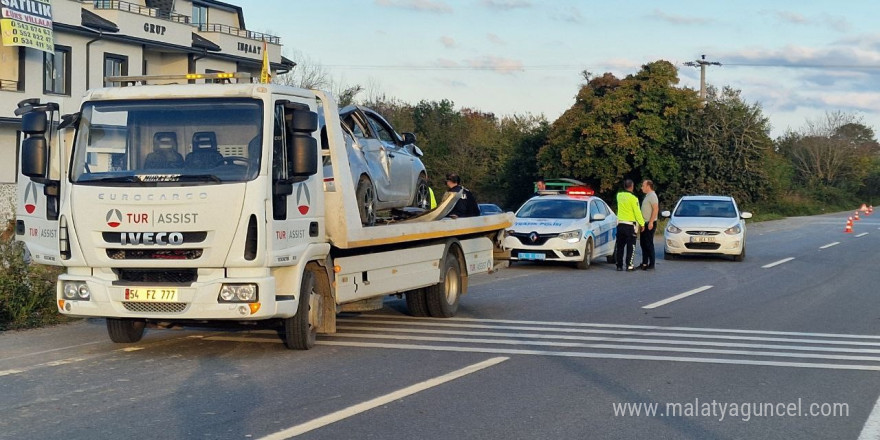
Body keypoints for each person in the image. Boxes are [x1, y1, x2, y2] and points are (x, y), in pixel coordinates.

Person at [614, 179, 645, 271]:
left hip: (620, 224)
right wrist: (642, 224)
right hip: (630, 225)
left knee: (620, 246)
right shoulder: (633, 198)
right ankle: (629, 265)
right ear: (632, 186)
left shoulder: (619, 196)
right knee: (631, 246)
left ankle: (619, 265)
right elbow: (637, 212)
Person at [639, 180, 659, 270]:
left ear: (648, 186)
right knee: (643, 243)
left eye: (643, 185)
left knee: (648, 243)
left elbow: (655, 209)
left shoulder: (652, 196)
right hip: (644, 223)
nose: (641, 187)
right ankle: (644, 263)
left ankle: (652, 264)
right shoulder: (647, 196)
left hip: (649, 223)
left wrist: (651, 222)